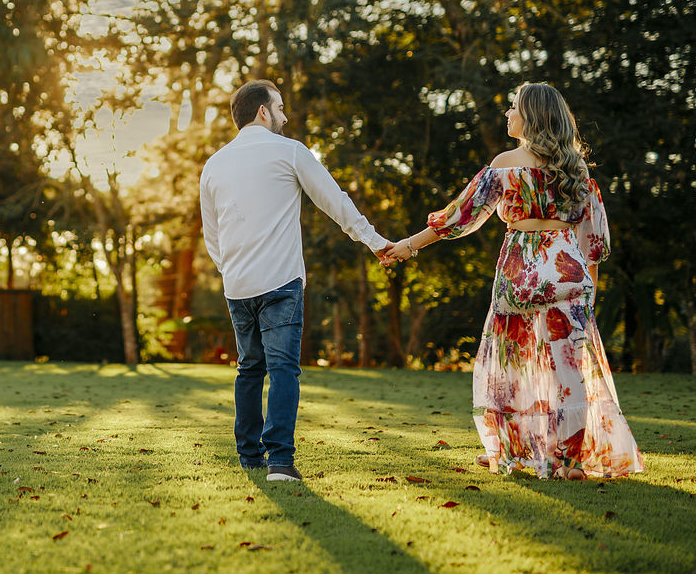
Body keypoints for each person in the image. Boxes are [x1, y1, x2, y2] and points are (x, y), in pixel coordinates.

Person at [384, 82, 644, 479]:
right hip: (567, 272)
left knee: (513, 366)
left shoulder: (505, 163)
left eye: (513, 108)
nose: (507, 114)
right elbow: (593, 242)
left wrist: (408, 245)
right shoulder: (576, 168)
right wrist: (590, 292)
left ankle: (512, 450)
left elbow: (460, 216)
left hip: (520, 272)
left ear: (532, 116)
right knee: (569, 371)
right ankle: (570, 461)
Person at [200, 80, 392, 482]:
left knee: (249, 370)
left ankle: (250, 458)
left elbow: (212, 234)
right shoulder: (289, 151)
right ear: (263, 111)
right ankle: (280, 463)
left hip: (238, 286)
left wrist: (229, 270)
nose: (285, 117)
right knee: (283, 369)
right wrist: (375, 241)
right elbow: (335, 202)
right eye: (280, 108)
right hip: (280, 281)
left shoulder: (213, 164)